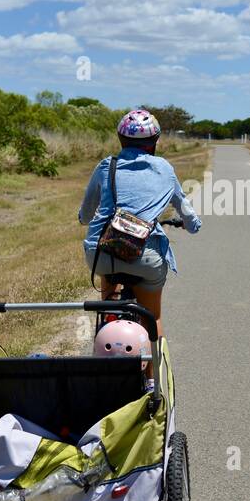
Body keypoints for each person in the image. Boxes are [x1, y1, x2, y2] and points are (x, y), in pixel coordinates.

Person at [78, 109, 201, 337]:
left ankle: (108, 320)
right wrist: (192, 225)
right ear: (155, 141)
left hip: (100, 252)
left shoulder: (107, 165)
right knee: (152, 317)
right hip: (146, 257)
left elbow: (86, 214)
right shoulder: (164, 168)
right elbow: (185, 209)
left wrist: (84, 219)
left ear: (120, 139)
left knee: (110, 278)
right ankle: (153, 371)